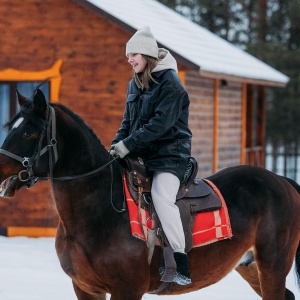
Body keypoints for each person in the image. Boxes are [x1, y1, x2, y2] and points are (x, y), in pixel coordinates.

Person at [110, 26, 192, 285]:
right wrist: (116, 146)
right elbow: (127, 122)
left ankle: (181, 260)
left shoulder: (172, 85)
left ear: (147, 55)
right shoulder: (133, 84)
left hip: (170, 155)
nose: (130, 60)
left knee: (161, 196)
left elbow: (160, 126)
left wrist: (128, 145)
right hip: (141, 154)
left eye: (133, 54)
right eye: (127, 56)